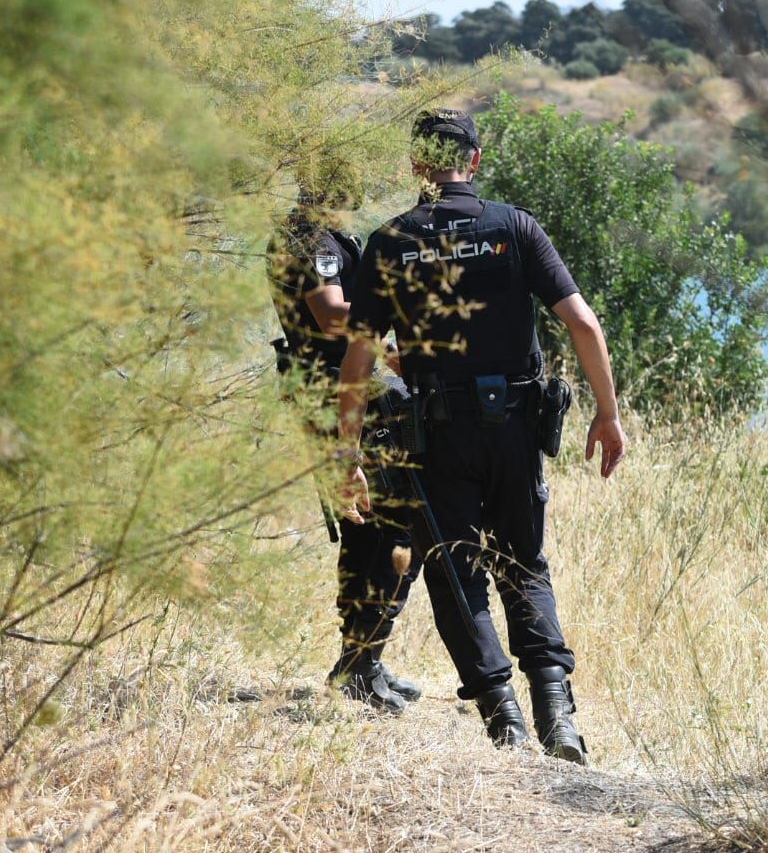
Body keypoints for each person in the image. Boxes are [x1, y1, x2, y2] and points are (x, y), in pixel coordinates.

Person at [334, 108, 626, 763]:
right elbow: (581, 322)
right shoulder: (516, 228)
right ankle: (560, 720)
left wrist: (347, 450)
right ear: (475, 158)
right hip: (516, 431)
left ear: (416, 163)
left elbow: (358, 358)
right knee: (524, 562)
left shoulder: (390, 241)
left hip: (439, 438)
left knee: (457, 575)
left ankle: (506, 723)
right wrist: (607, 414)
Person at [266, 160, 423, 714]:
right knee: (378, 522)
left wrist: (384, 351)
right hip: (333, 393)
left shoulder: (326, 236)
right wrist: (396, 314)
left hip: (342, 388)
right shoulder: (309, 238)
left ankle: (363, 660)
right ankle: (359, 665)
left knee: (375, 526)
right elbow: (333, 318)